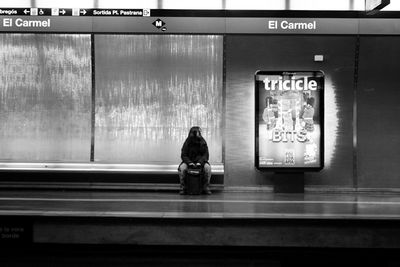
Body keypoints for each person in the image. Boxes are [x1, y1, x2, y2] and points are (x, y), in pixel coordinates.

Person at [178, 126, 212, 195]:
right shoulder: (187, 142)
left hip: (201, 162)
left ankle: (206, 187)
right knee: (182, 168)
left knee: (207, 168)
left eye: (199, 133)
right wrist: (189, 162)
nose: (199, 134)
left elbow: (206, 155)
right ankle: (183, 188)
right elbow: (183, 155)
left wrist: (200, 162)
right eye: (197, 133)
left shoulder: (203, 142)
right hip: (188, 162)